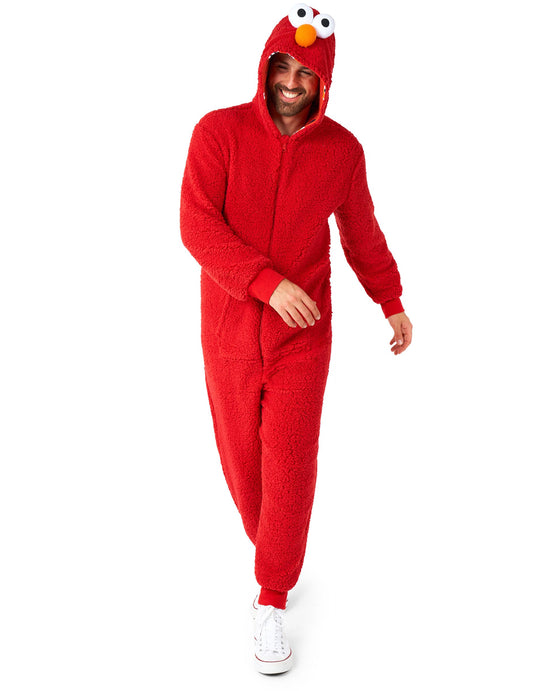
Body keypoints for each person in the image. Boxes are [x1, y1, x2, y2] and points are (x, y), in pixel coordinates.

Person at [180, 3, 413, 675]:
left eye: (305, 73)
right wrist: (264, 282)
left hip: (303, 336)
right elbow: (197, 225)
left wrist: (390, 299)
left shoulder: (342, 151)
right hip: (228, 332)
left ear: (324, 80)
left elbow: (361, 231)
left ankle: (272, 596)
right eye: (282, 66)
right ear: (265, 66)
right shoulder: (217, 132)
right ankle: (274, 550)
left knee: (289, 463)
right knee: (244, 468)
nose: (290, 82)